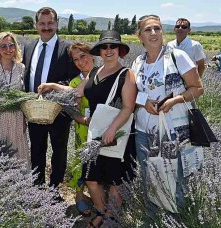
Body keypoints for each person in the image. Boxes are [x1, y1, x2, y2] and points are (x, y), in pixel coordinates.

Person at [131, 15, 204, 211]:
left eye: (157, 28)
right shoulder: (137, 62)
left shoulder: (177, 56)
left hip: (171, 130)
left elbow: (197, 88)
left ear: (163, 31)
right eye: (148, 30)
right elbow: (131, 94)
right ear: (140, 37)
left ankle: (175, 218)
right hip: (143, 131)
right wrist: (143, 102)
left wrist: (174, 100)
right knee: (148, 176)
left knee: (174, 177)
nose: (153, 33)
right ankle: (153, 217)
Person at [22, 7, 80, 188]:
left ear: (56, 24)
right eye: (42, 23)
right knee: (37, 150)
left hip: (59, 112)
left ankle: (55, 189)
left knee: (59, 151)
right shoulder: (29, 47)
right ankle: (37, 188)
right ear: (36, 25)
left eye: (50, 23)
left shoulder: (67, 49)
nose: (46, 27)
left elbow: (74, 82)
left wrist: (54, 88)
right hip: (34, 109)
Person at [83, 30, 136, 227]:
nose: (108, 50)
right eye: (104, 47)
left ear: (120, 50)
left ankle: (111, 217)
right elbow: (78, 91)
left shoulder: (126, 74)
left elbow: (128, 107)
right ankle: (102, 211)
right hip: (96, 134)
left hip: (118, 134)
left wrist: (112, 128)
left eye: (112, 46)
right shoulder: (95, 72)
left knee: (116, 181)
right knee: (90, 178)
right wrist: (52, 87)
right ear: (99, 51)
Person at [37, 42, 97, 217]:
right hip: (83, 128)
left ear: (92, 55)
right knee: (81, 161)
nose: (80, 61)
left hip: (107, 127)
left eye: (83, 56)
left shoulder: (104, 74)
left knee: (101, 163)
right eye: (76, 59)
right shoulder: (75, 80)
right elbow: (73, 102)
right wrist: (82, 119)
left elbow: (83, 88)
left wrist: (55, 86)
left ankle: (100, 197)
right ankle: (79, 197)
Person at [0, 32, 29, 161]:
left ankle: (21, 181)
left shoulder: (21, 68)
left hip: (16, 118)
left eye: (11, 45)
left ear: (15, 47)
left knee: (18, 154)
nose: (8, 50)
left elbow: (23, 95)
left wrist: (24, 119)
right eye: (3, 46)